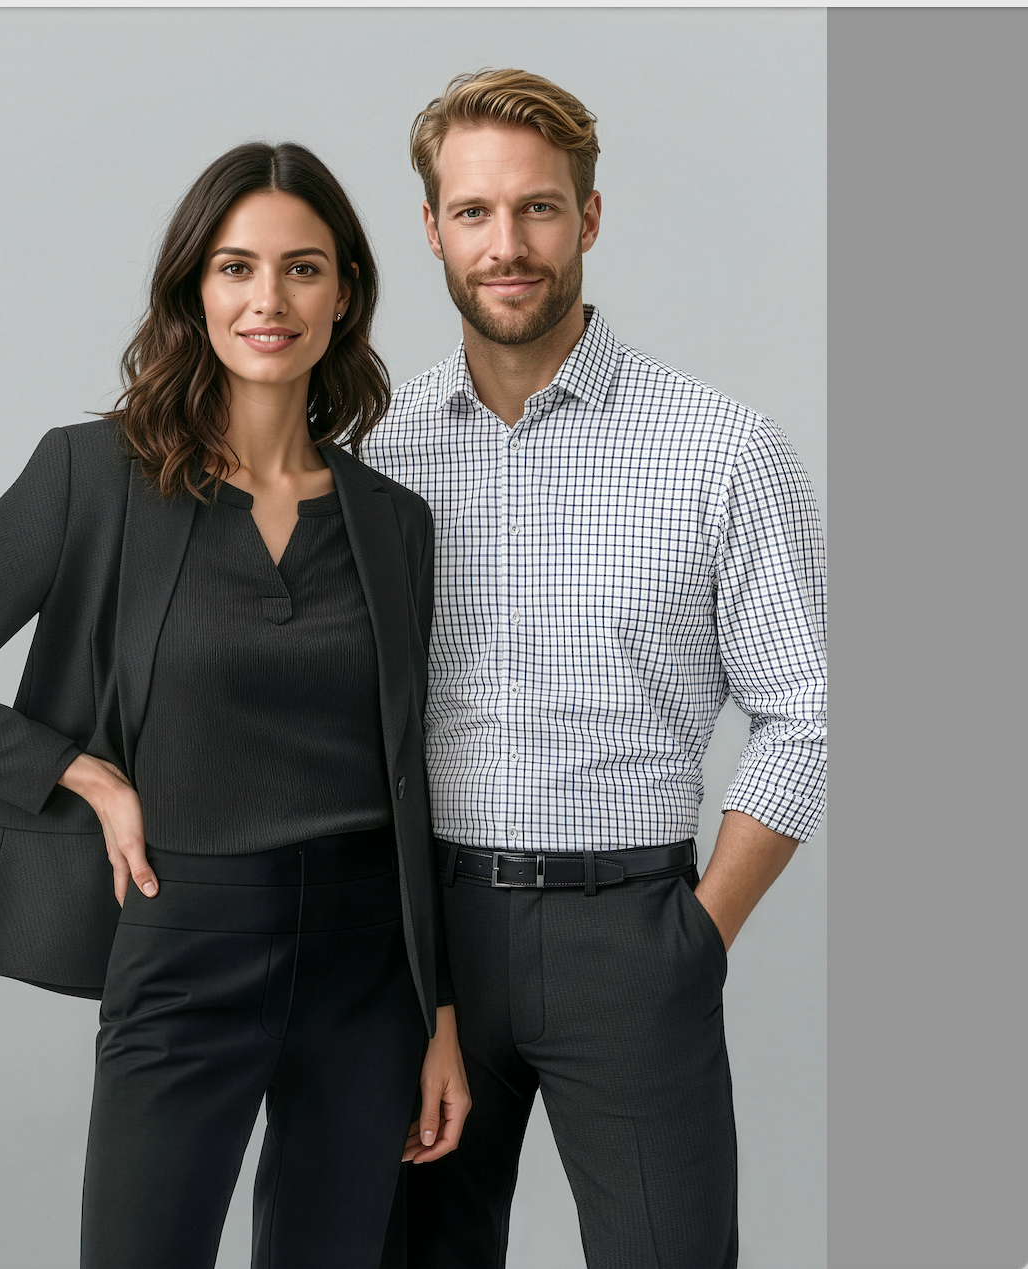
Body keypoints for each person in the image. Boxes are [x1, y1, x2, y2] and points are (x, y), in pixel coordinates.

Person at [0, 140, 469, 1269]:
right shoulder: (92, 475)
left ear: (344, 291)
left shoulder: (394, 520)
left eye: (303, 268)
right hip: (184, 934)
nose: (269, 300)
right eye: (235, 268)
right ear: (191, 293)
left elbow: (417, 775)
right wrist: (84, 775)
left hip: (367, 970)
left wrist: (439, 1016)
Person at [362, 69, 827, 1269]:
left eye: (537, 209)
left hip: (631, 934)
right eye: (471, 212)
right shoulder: (373, 452)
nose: (504, 244)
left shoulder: (718, 448)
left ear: (589, 217)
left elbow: (808, 715)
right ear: (429, 228)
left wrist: (699, 934)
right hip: (422, 947)